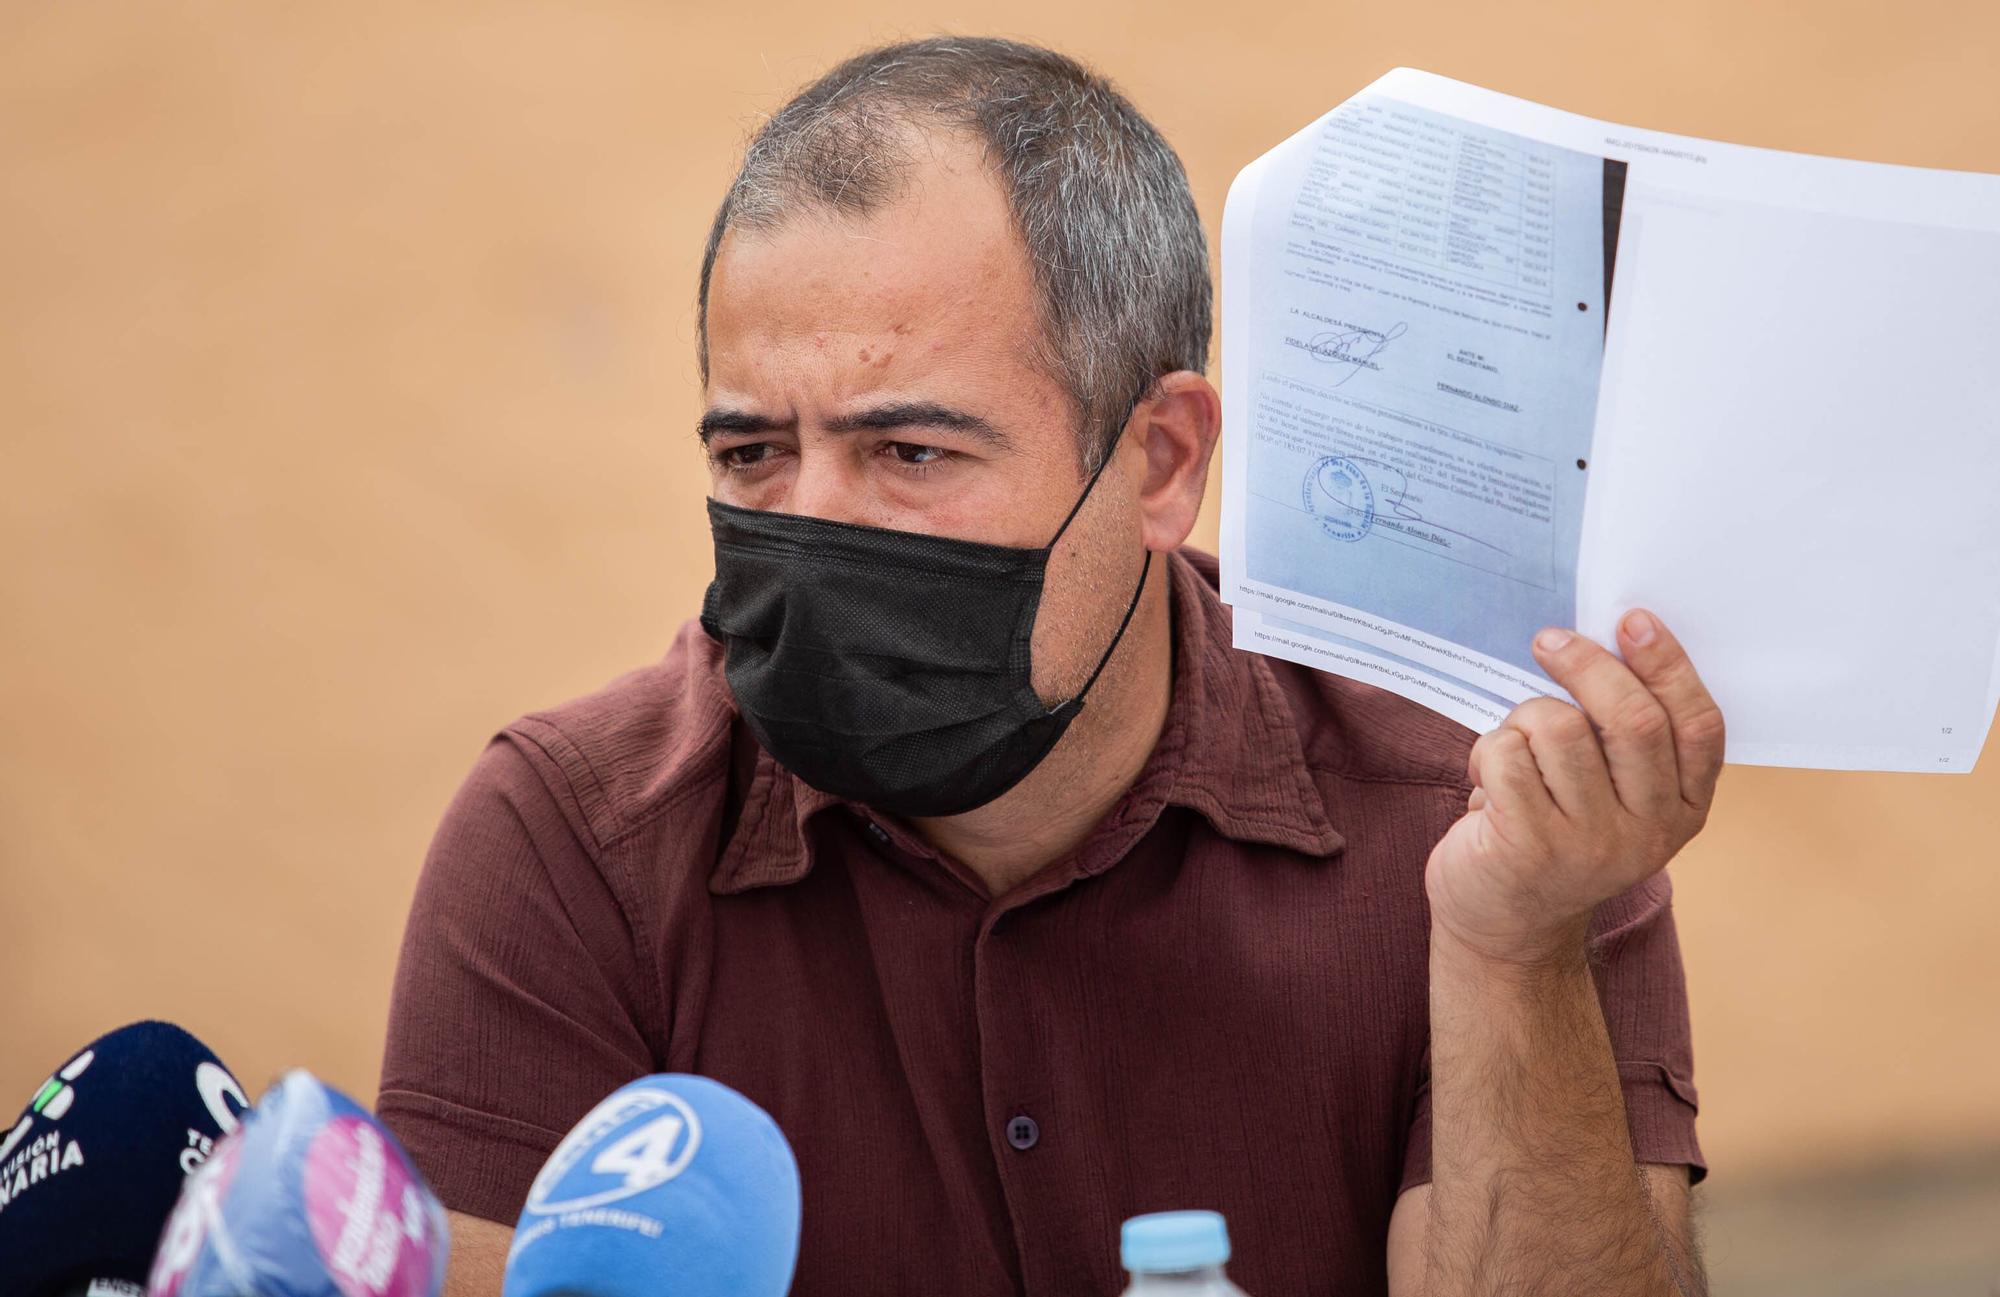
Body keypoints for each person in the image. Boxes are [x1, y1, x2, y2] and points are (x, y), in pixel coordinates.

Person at [378, 35, 1722, 1296]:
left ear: (1159, 462)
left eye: (911, 454)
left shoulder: (1490, 814)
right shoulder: (574, 842)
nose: (813, 529)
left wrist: (1515, 949)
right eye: (753, 456)